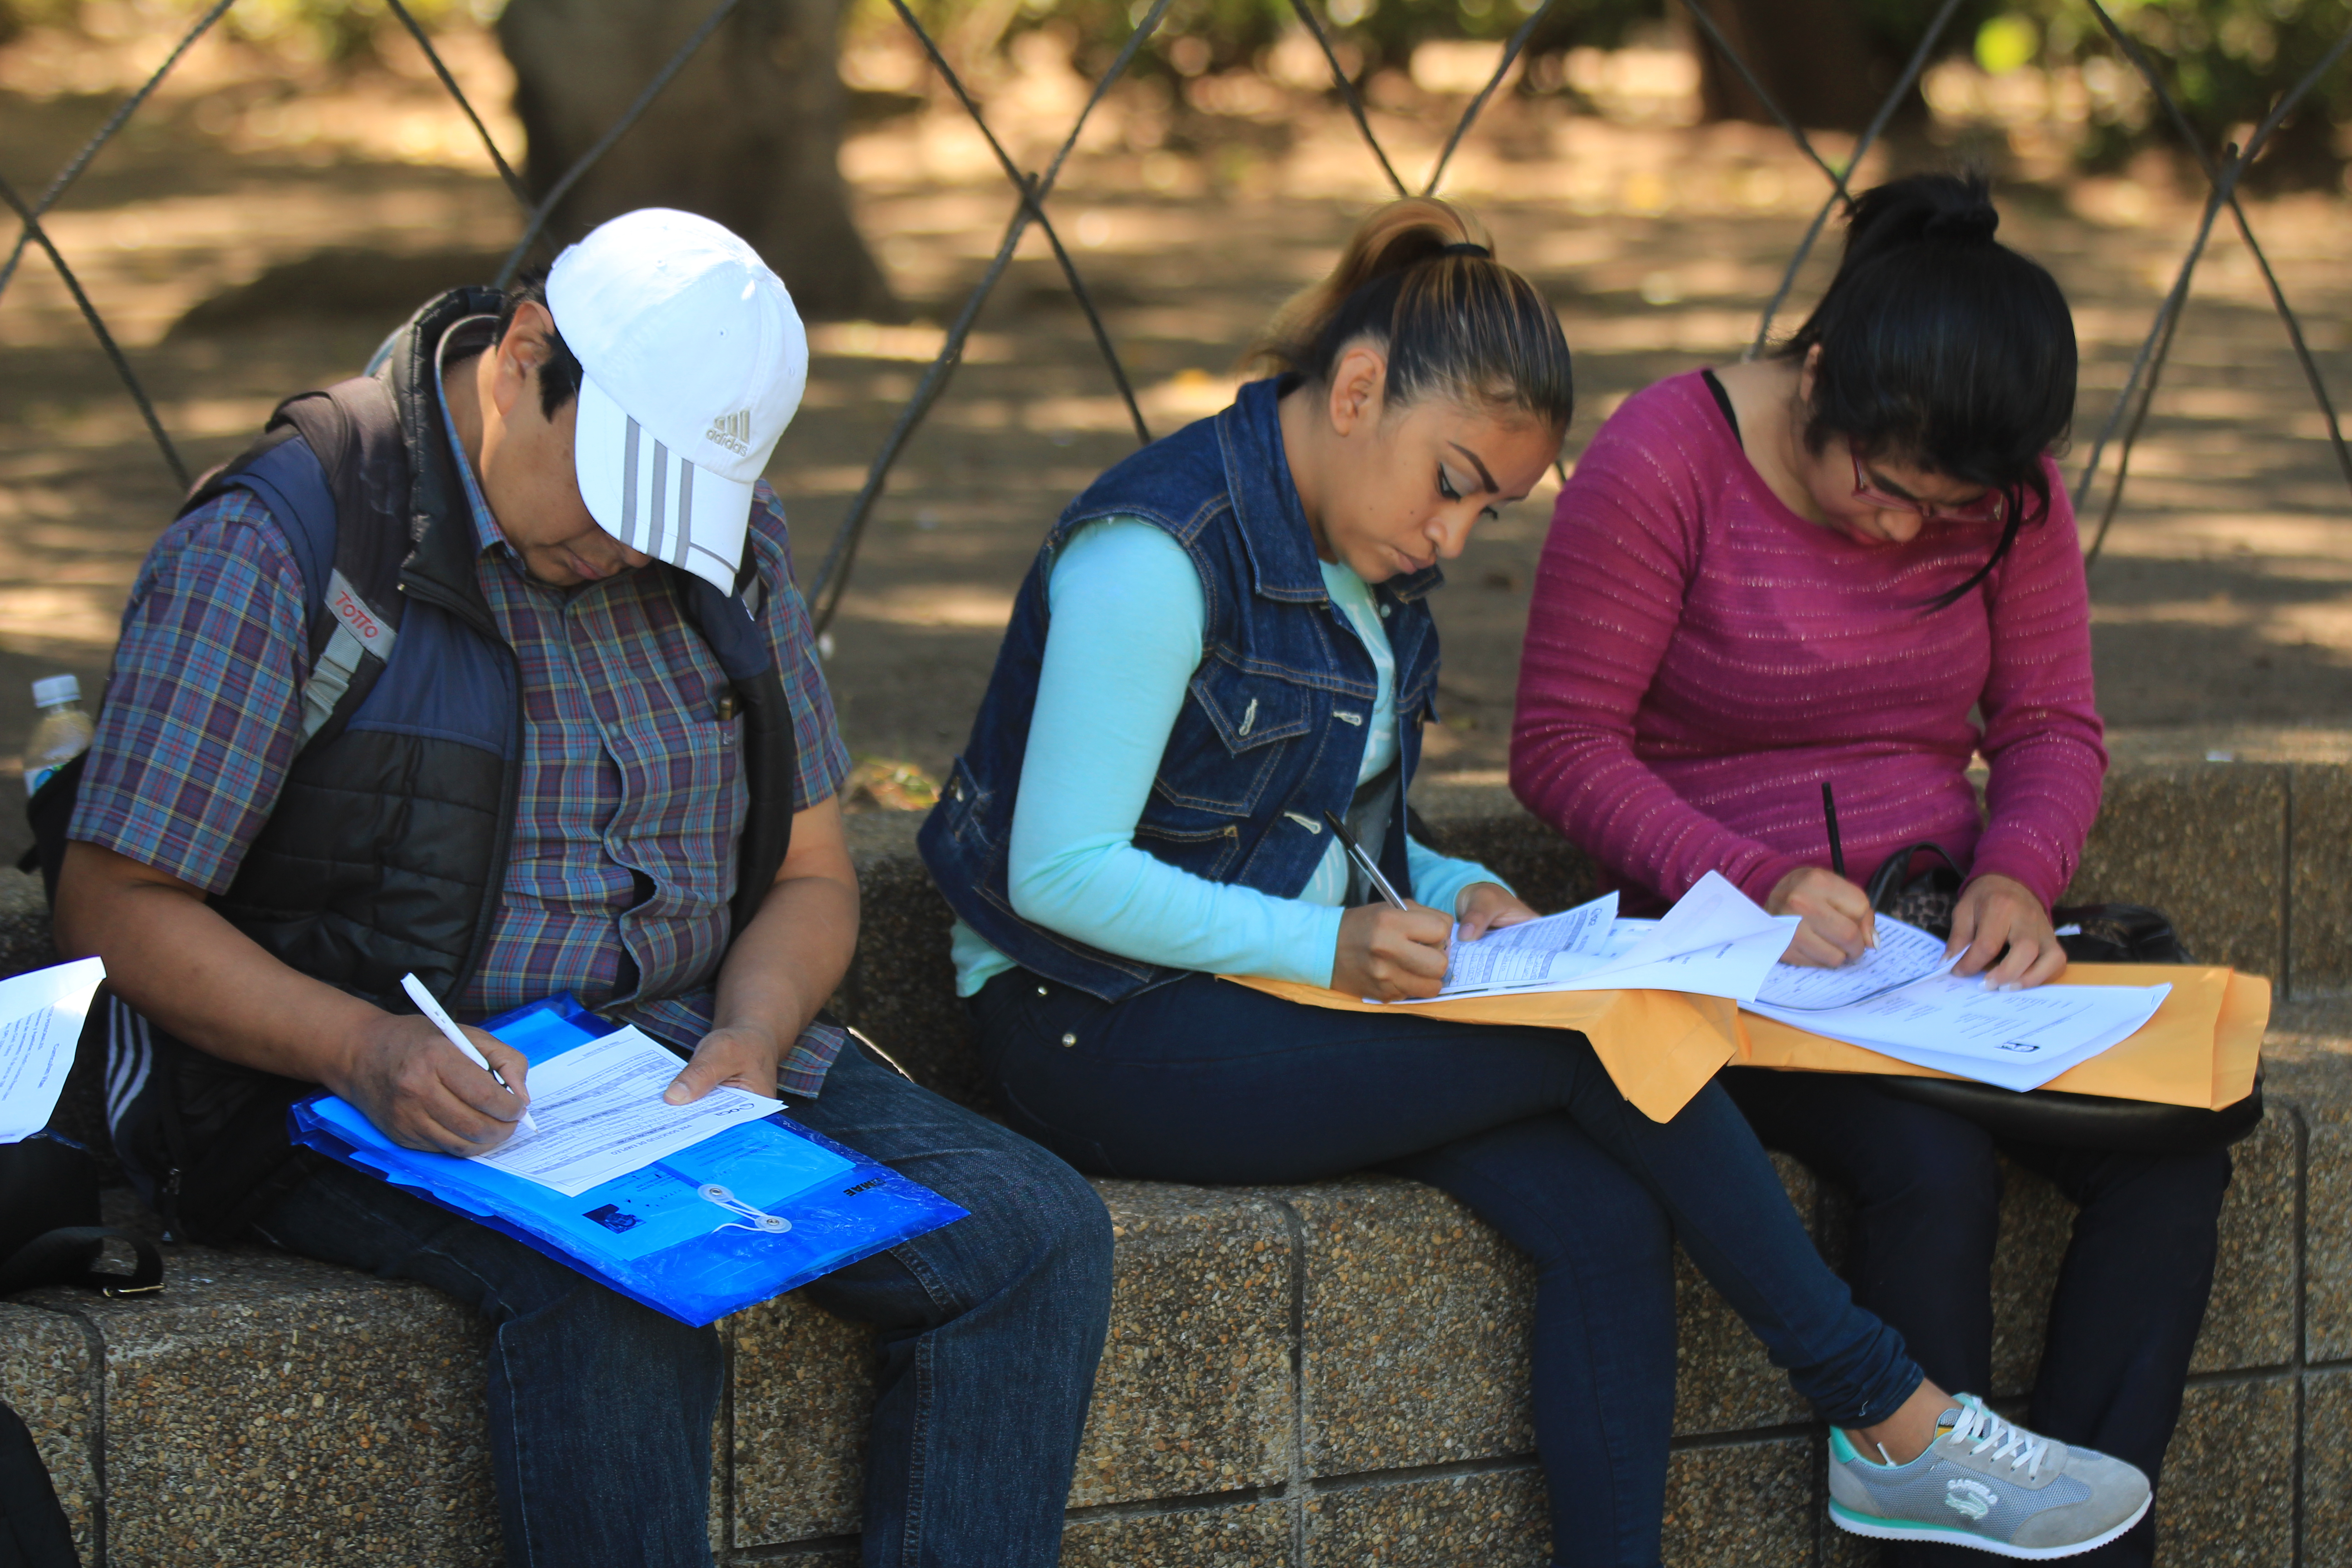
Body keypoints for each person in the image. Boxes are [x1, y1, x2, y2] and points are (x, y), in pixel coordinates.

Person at [920, 194, 2149, 1566]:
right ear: (1357, 392)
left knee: (1604, 1212)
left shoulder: (1364, 567)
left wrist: (1460, 889)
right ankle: (1889, 1416)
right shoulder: (1157, 551)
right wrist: (1329, 950)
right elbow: (1061, 874)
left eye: (1487, 509)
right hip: (1088, 1020)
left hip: (1254, 995)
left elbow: (1340, 831)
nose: (1455, 538)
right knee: (1588, 1046)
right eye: (1451, 484)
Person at [54, 208, 1114, 1568]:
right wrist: (366, 1048)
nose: (631, 545)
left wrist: (755, 1032)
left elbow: (809, 870)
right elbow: (115, 902)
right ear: (523, 356)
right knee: (616, 1295)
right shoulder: (288, 539)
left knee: (1037, 1235)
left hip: (674, 1059)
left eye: (670, 514)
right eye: (619, 494)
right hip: (355, 1082)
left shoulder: (728, 544)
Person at [1510, 173, 2228, 1568]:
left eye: (1944, 510)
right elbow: (1560, 744)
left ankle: (2087, 1539)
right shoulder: (1667, 459)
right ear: (1820, 375)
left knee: (2174, 1146)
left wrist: (2018, 875)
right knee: (1929, 1164)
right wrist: (1752, 879)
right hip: (1734, 962)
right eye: (1884, 489)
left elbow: (2048, 723)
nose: (1902, 531)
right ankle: (1940, 1530)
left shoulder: (2008, 497)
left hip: (1939, 954)